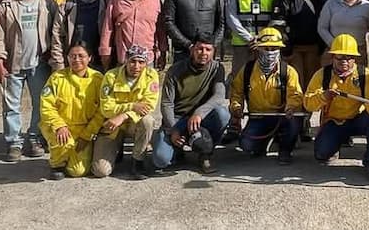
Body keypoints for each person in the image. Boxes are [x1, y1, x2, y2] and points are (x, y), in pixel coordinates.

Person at [0, 0, 57, 162]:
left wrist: (54, 58)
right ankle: (14, 143)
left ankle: (35, 137)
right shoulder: (7, 6)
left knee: (41, 103)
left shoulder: (47, 3)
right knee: (11, 105)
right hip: (14, 62)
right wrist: (0, 62)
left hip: (40, 62)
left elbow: (56, 30)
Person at [304, 34, 369, 182]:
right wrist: (324, 97)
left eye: (348, 57)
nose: (344, 62)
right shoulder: (322, 75)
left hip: (357, 120)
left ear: (355, 58)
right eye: (340, 57)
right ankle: (337, 143)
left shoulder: (364, 74)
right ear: (332, 57)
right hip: (334, 121)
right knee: (322, 154)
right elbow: (308, 104)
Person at [223, 0, 282, 142]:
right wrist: (249, 38)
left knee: (270, 81)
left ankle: (270, 120)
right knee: (238, 83)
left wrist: (264, 39)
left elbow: (277, 16)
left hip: (267, 45)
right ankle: (235, 122)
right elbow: (231, 16)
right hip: (243, 44)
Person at [154, 35, 230, 174]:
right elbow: (166, 103)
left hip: (200, 119)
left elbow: (219, 96)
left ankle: (205, 153)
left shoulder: (217, 68)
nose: (204, 53)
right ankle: (177, 149)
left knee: (223, 114)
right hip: (177, 118)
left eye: (208, 49)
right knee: (161, 160)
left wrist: (199, 113)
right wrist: (173, 129)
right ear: (192, 50)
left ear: (214, 51)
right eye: (199, 49)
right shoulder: (175, 70)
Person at [273, 0, 329, 141]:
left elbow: (326, 22)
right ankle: (293, 127)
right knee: (295, 87)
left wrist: (323, 47)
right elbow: (279, 23)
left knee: (311, 88)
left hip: (314, 49)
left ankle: (305, 123)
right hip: (294, 49)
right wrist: (287, 49)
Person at [229, 27, 303, 164]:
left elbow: (296, 95)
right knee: (246, 145)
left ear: (280, 50)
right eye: (266, 48)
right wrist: (236, 107)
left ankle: (285, 150)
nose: (270, 53)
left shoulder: (288, 71)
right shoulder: (247, 70)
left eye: (274, 48)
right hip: (258, 117)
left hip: (282, 117)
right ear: (258, 49)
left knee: (294, 122)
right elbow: (236, 92)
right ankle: (263, 144)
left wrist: (291, 107)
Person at [92, 45, 161, 180]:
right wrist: (133, 106)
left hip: (133, 124)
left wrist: (124, 115)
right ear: (126, 61)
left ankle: (138, 161)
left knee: (148, 120)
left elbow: (149, 105)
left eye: (141, 62)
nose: (136, 66)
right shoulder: (111, 76)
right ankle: (116, 149)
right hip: (112, 126)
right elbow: (106, 107)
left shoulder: (151, 75)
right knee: (100, 171)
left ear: (146, 64)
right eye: (132, 61)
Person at [38, 44, 104, 180]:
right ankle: (57, 164)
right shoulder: (57, 78)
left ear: (90, 58)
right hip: (61, 127)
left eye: (81, 56)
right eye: (72, 56)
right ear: (67, 58)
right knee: (62, 140)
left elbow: (102, 111)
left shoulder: (98, 79)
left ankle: (70, 156)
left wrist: (87, 136)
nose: (77, 60)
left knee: (77, 171)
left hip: (84, 129)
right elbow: (46, 106)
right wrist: (59, 125)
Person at [100, 0, 166, 70]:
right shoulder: (117, 0)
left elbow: (161, 31)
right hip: (123, 57)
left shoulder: (156, 3)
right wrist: (105, 51)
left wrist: (163, 52)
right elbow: (108, 27)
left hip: (147, 58)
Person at [50, 0, 107, 71]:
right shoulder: (67, 6)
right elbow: (57, 36)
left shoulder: (107, 5)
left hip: (99, 63)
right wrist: (59, 64)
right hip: (73, 62)